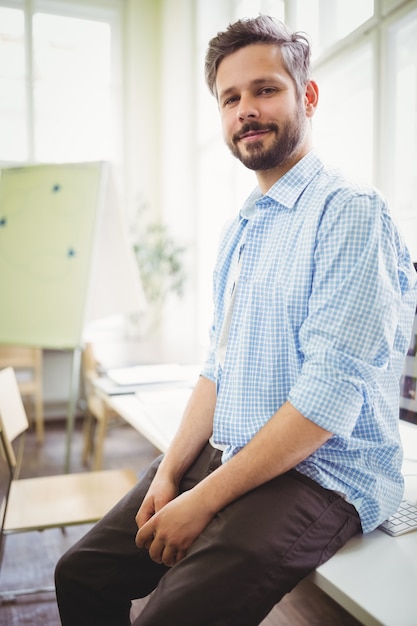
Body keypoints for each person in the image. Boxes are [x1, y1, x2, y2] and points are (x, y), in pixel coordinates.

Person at [55, 15, 417, 626]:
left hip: (325, 473)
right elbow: (216, 370)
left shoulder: (351, 213)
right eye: (231, 98)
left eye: (266, 89)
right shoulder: (244, 227)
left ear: (308, 96)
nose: (246, 109)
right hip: (236, 450)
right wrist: (170, 475)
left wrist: (203, 501)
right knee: (80, 573)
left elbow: (327, 401)